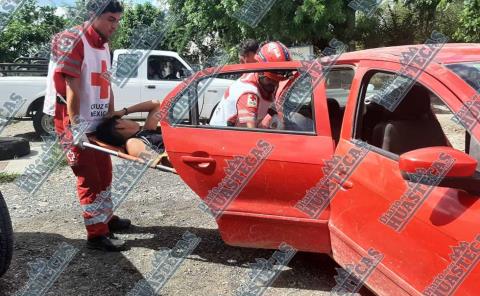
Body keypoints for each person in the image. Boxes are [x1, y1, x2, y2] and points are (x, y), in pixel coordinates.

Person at [43, 0, 128, 252]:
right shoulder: (71, 39)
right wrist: (76, 126)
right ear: (93, 15)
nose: (115, 25)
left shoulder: (103, 44)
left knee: (104, 172)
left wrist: (111, 115)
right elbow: (72, 86)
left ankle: (107, 219)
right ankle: (96, 234)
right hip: (74, 122)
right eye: (111, 19)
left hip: (97, 120)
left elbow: (105, 83)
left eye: (118, 20)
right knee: (89, 177)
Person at [209, 41, 292, 128]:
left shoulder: (264, 82)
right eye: (271, 80)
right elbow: (250, 134)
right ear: (261, 73)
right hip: (223, 137)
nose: (275, 85)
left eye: (278, 81)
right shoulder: (249, 93)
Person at [96, 100, 164, 157]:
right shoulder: (131, 143)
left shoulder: (145, 131)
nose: (127, 119)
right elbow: (159, 160)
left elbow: (156, 104)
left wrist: (124, 111)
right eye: (122, 119)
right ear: (119, 127)